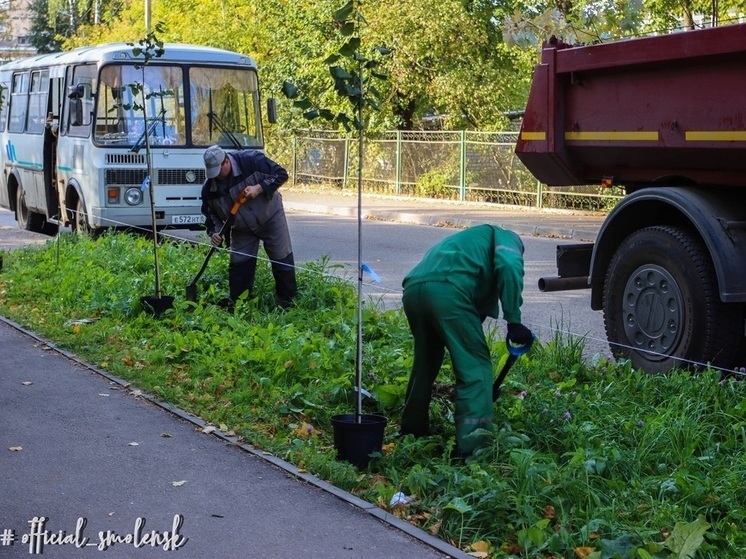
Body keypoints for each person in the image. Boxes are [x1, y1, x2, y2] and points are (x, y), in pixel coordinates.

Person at [399, 224, 534, 457]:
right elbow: (509, 265)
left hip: (414, 289)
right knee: (476, 366)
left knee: (425, 362)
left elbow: (474, 305)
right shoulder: (508, 239)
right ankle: (474, 447)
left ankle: (412, 430)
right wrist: (513, 320)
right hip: (449, 289)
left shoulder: (470, 243)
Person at [200, 145, 297, 308]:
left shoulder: (251, 160)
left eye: (218, 171)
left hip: (271, 217)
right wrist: (215, 233)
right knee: (239, 265)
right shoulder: (209, 189)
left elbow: (281, 174)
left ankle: (288, 304)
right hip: (242, 228)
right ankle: (239, 306)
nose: (216, 177)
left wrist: (259, 188)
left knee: (282, 259)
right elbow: (211, 216)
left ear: (226, 162)